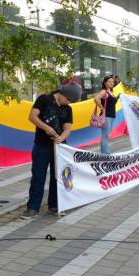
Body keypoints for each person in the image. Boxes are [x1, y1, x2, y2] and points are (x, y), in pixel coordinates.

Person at [23, 81, 81, 218]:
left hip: (60, 147)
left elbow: (68, 128)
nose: (67, 103)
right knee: (38, 176)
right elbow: (32, 116)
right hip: (41, 145)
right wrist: (45, 127)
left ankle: (54, 205)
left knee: (57, 177)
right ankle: (33, 207)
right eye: (67, 99)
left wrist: (61, 138)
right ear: (62, 93)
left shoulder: (68, 109)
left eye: (70, 101)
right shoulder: (44, 99)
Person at [93, 75, 119, 154]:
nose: (111, 83)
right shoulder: (104, 91)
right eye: (109, 82)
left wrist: (118, 97)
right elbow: (96, 99)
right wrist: (102, 108)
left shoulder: (111, 92)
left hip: (111, 116)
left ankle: (105, 153)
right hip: (106, 116)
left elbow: (112, 103)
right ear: (105, 83)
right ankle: (105, 154)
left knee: (106, 136)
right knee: (105, 136)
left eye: (112, 82)